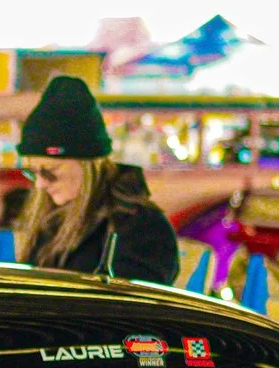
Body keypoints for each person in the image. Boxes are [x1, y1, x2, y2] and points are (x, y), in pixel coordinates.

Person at [12, 75, 178, 286]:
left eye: (50, 171)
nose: (40, 184)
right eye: (33, 173)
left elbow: (131, 311)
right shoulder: (51, 220)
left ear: (87, 165)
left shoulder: (140, 227)